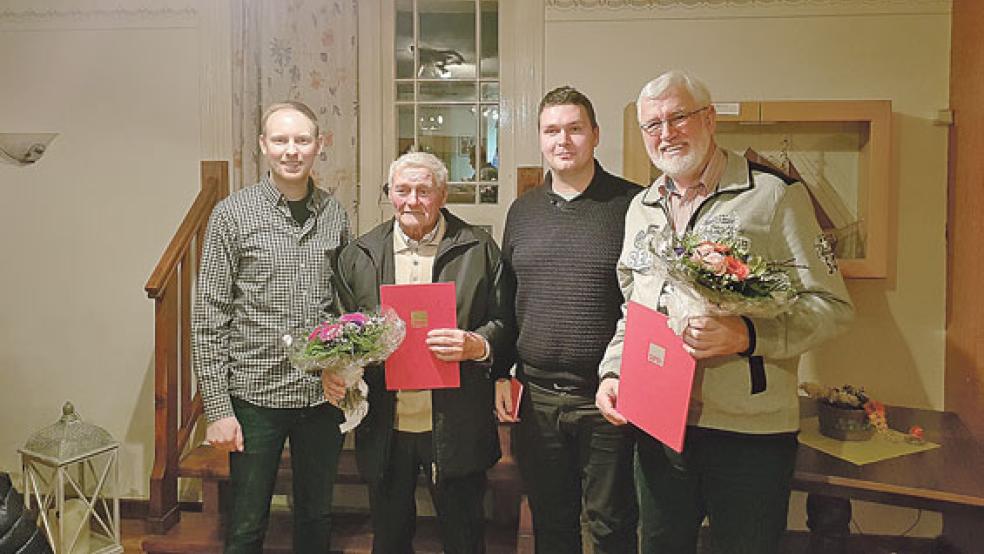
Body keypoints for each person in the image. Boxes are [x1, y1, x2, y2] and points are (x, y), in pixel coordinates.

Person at [595, 70, 855, 554]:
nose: (666, 134)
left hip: (748, 434)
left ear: (710, 119)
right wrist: (613, 372)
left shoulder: (775, 196)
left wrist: (748, 335)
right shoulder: (641, 207)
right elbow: (634, 308)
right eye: (653, 125)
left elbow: (833, 308)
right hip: (658, 424)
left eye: (678, 117)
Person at [333, 151, 513, 553]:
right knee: (390, 538)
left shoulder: (478, 249)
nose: (412, 200)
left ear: (443, 194)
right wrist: (342, 367)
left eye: (423, 190)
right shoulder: (360, 255)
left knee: (465, 538)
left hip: (456, 424)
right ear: (390, 194)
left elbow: (506, 323)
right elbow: (343, 332)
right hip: (385, 426)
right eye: (402, 190)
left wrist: (477, 344)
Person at [193, 101, 351, 553]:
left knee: (317, 518)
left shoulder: (334, 215)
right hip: (254, 397)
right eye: (280, 140)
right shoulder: (232, 214)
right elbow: (209, 316)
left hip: (322, 395)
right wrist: (218, 409)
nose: (291, 150)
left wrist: (346, 370)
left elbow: (344, 308)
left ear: (319, 146)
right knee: (246, 524)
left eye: (302, 140)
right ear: (264, 146)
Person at [497, 86, 640, 553]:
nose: (564, 139)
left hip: (608, 398)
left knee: (611, 524)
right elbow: (506, 302)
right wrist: (501, 372)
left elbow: (645, 303)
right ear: (539, 138)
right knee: (550, 523)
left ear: (595, 135)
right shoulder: (523, 211)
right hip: (537, 400)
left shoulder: (633, 207)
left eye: (575, 128)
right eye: (552, 130)